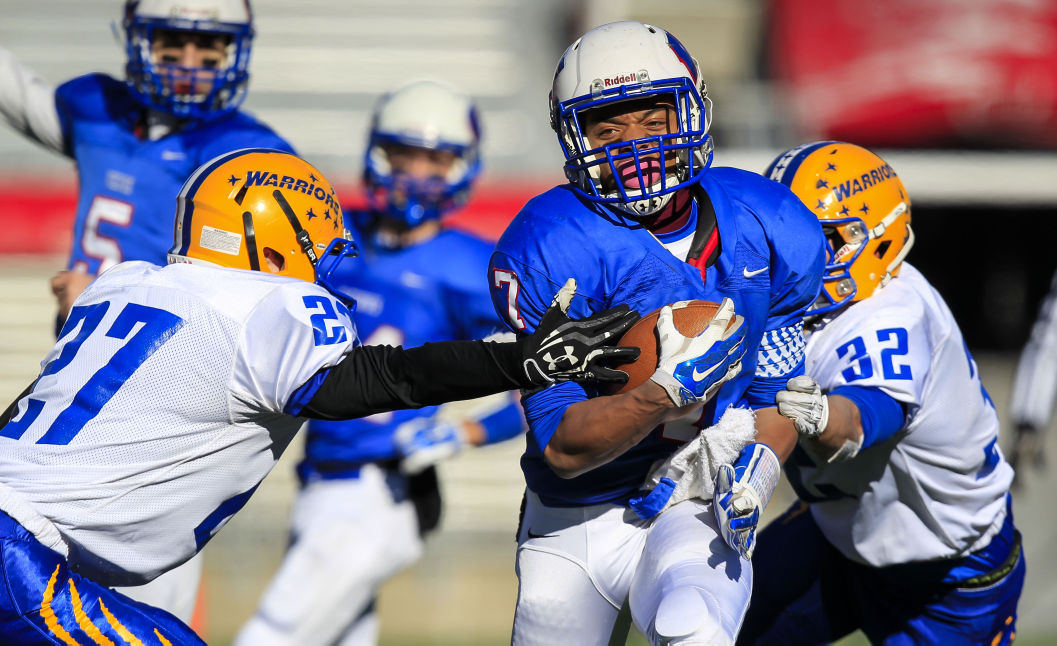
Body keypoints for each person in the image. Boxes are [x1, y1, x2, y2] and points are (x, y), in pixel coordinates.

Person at [0, 148, 645, 645]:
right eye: (315, 235)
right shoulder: (269, 302)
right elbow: (374, 380)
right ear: (273, 238)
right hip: (20, 553)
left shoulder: (124, 283)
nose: (327, 255)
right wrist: (527, 360)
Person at [486, 21, 826, 645]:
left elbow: (775, 399)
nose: (631, 144)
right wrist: (661, 395)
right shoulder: (552, 245)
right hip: (577, 513)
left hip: (696, 497)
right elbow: (563, 448)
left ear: (693, 109)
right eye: (605, 127)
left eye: (651, 117)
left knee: (693, 628)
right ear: (573, 136)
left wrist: (759, 466)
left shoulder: (768, 223)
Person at [235, 81, 526, 646]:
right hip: (318, 477)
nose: (416, 173)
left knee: (272, 635)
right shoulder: (334, 238)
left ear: (461, 169)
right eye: (404, 154)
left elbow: (540, 373)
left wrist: (465, 432)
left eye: (435, 160)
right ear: (377, 154)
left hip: (379, 489)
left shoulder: (471, 267)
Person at [737, 141, 1024, 645]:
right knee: (710, 626)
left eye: (817, 238)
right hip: (839, 528)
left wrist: (820, 415)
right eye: (777, 234)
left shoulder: (891, 315)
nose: (788, 255)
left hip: (946, 575)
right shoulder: (785, 304)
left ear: (873, 239)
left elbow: (859, 421)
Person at [0, 0, 294, 328]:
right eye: (171, 43)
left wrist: (102, 296)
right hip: (80, 355)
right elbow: (16, 91)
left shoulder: (249, 153)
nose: (188, 64)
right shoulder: (99, 113)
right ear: (139, 42)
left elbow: (252, 295)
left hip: (166, 359)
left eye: (209, 46)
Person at [1008, 267, 1057, 482]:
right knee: (1033, 409)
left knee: (1035, 406)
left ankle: (1029, 451)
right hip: (1045, 353)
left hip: (1042, 351)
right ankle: (1018, 456)